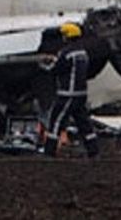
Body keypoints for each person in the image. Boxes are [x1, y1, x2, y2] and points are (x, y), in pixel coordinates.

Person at [42, 23, 99, 158]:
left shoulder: (66, 53)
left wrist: (44, 65)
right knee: (83, 122)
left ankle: (49, 151)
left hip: (67, 94)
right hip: (81, 93)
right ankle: (93, 150)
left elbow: (56, 69)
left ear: (66, 36)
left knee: (55, 120)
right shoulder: (83, 52)